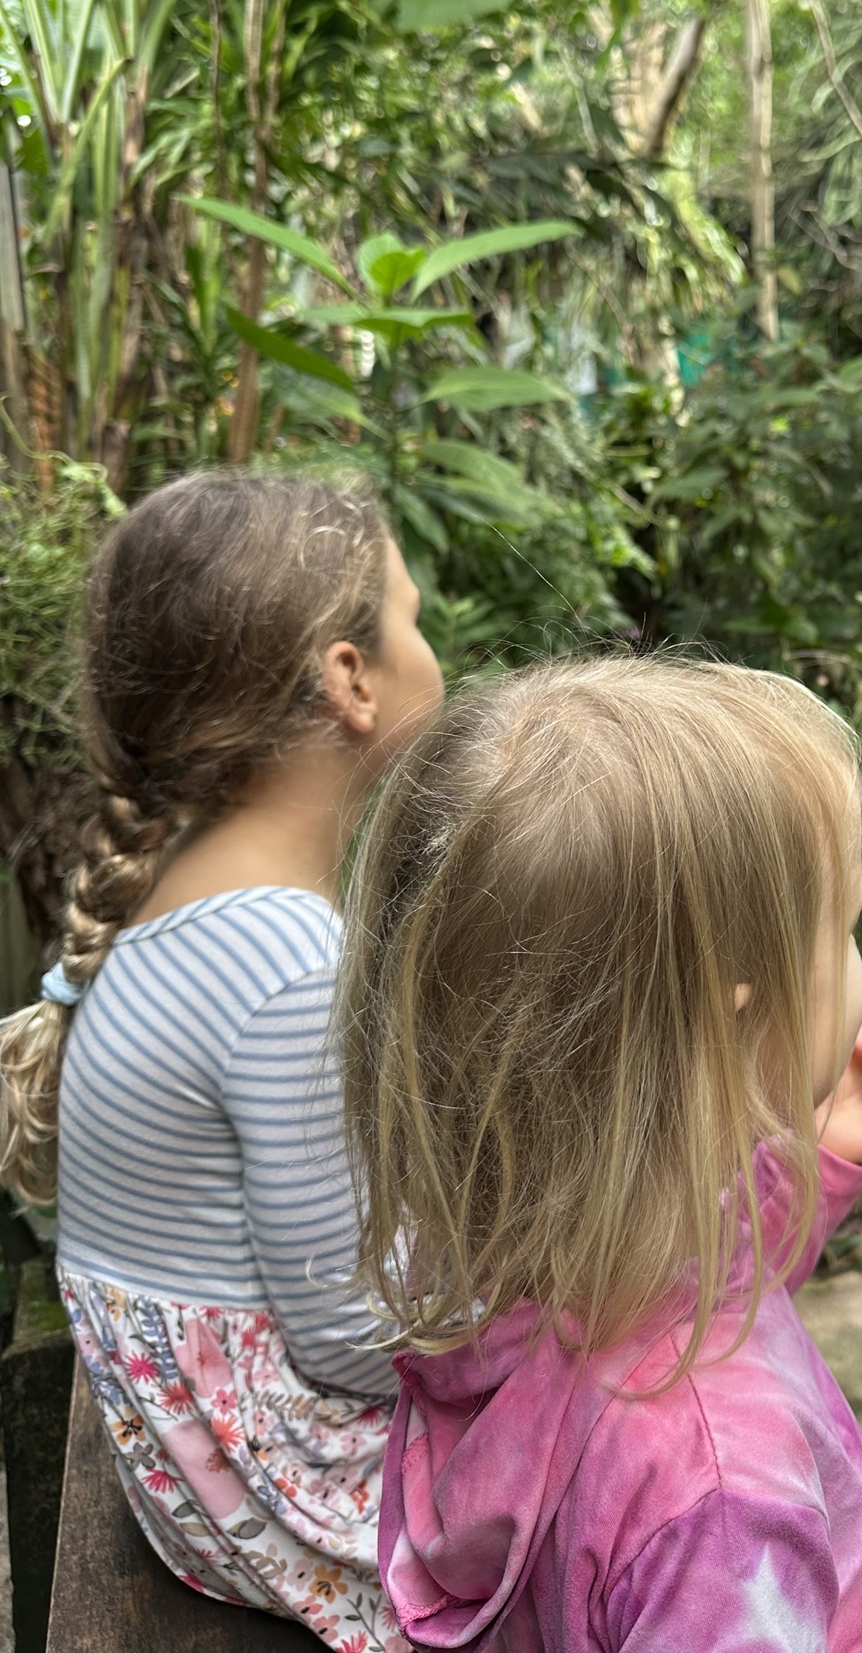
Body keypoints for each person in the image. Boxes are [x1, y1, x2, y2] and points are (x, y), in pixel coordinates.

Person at [339, 659, 862, 1652]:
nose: (857, 949)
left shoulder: (486, 1251)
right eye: (841, 926)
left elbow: (671, 1273)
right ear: (733, 1023)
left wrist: (814, 1159)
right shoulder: (719, 1490)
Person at [0, 471, 444, 1651]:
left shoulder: (185, 888)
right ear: (350, 677)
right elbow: (354, 1335)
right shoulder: (289, 956)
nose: (426, 639)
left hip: (194, 1476)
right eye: (411, 615)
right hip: (288, 1499)